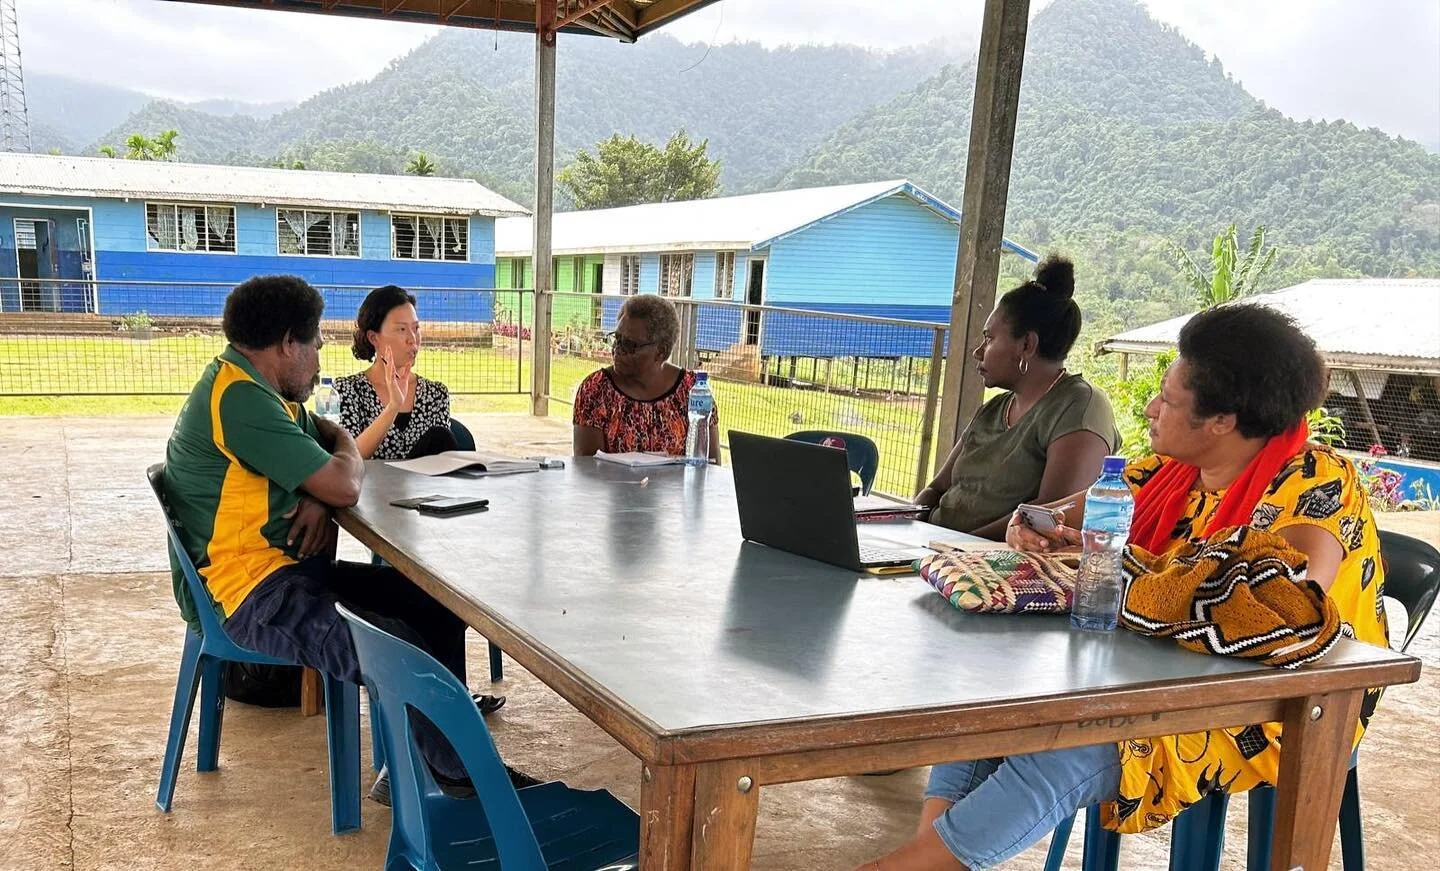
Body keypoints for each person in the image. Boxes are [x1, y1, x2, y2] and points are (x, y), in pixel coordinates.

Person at [861, 304, 1388, 870]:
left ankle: (914, 863)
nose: (1151, 408)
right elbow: (1061, 515)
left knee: (1074, 743)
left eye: (1169, 399)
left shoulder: (1318, 483)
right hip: (1149, 673)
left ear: (1222, 422)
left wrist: (1118, 567)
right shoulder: (1165, 474)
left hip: (1275, 704)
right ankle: (929, 858)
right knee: (985, 704)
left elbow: (1278, 607)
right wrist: (1033, 522)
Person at [163, 275, 523, 807]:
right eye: (314, 342)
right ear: (289, 342)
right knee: (398, 641)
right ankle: (460, 777)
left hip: (284, 575)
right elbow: (344, 475)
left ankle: (433, 763)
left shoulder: (260, 389)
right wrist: (330, 478)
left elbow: (332, 443)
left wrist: (325, 481)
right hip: (249, 596)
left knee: (435, 604)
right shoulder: (241, 399)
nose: (320, 354)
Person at [917, 256, 1119, 539]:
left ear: (1027, 344)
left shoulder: (1079, 407)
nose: (978, 351)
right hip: (933, 551)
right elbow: (936, 490)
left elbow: (1047, 518)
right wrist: (907, 529)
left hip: (984, 565)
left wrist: (957, 546)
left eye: (989, 338)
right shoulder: (994, 409)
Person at [572, 293, 720, 460]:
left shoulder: (692, 391)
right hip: (612, 486)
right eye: (617, 338)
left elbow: (710, 464)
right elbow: (586, 469)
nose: (617, 349)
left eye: (630, 344)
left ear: (661, 351)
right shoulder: (596, 389)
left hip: (677, 487)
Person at [335, 284, 457, 460]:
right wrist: (394, 406)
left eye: (415, 328)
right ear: (373, 338)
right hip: (370, 488)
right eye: (401, 329)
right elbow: (348, 460)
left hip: (425, 488)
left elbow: (444, 463)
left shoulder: (436, 394)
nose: (412, 339)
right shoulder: (348, 390)